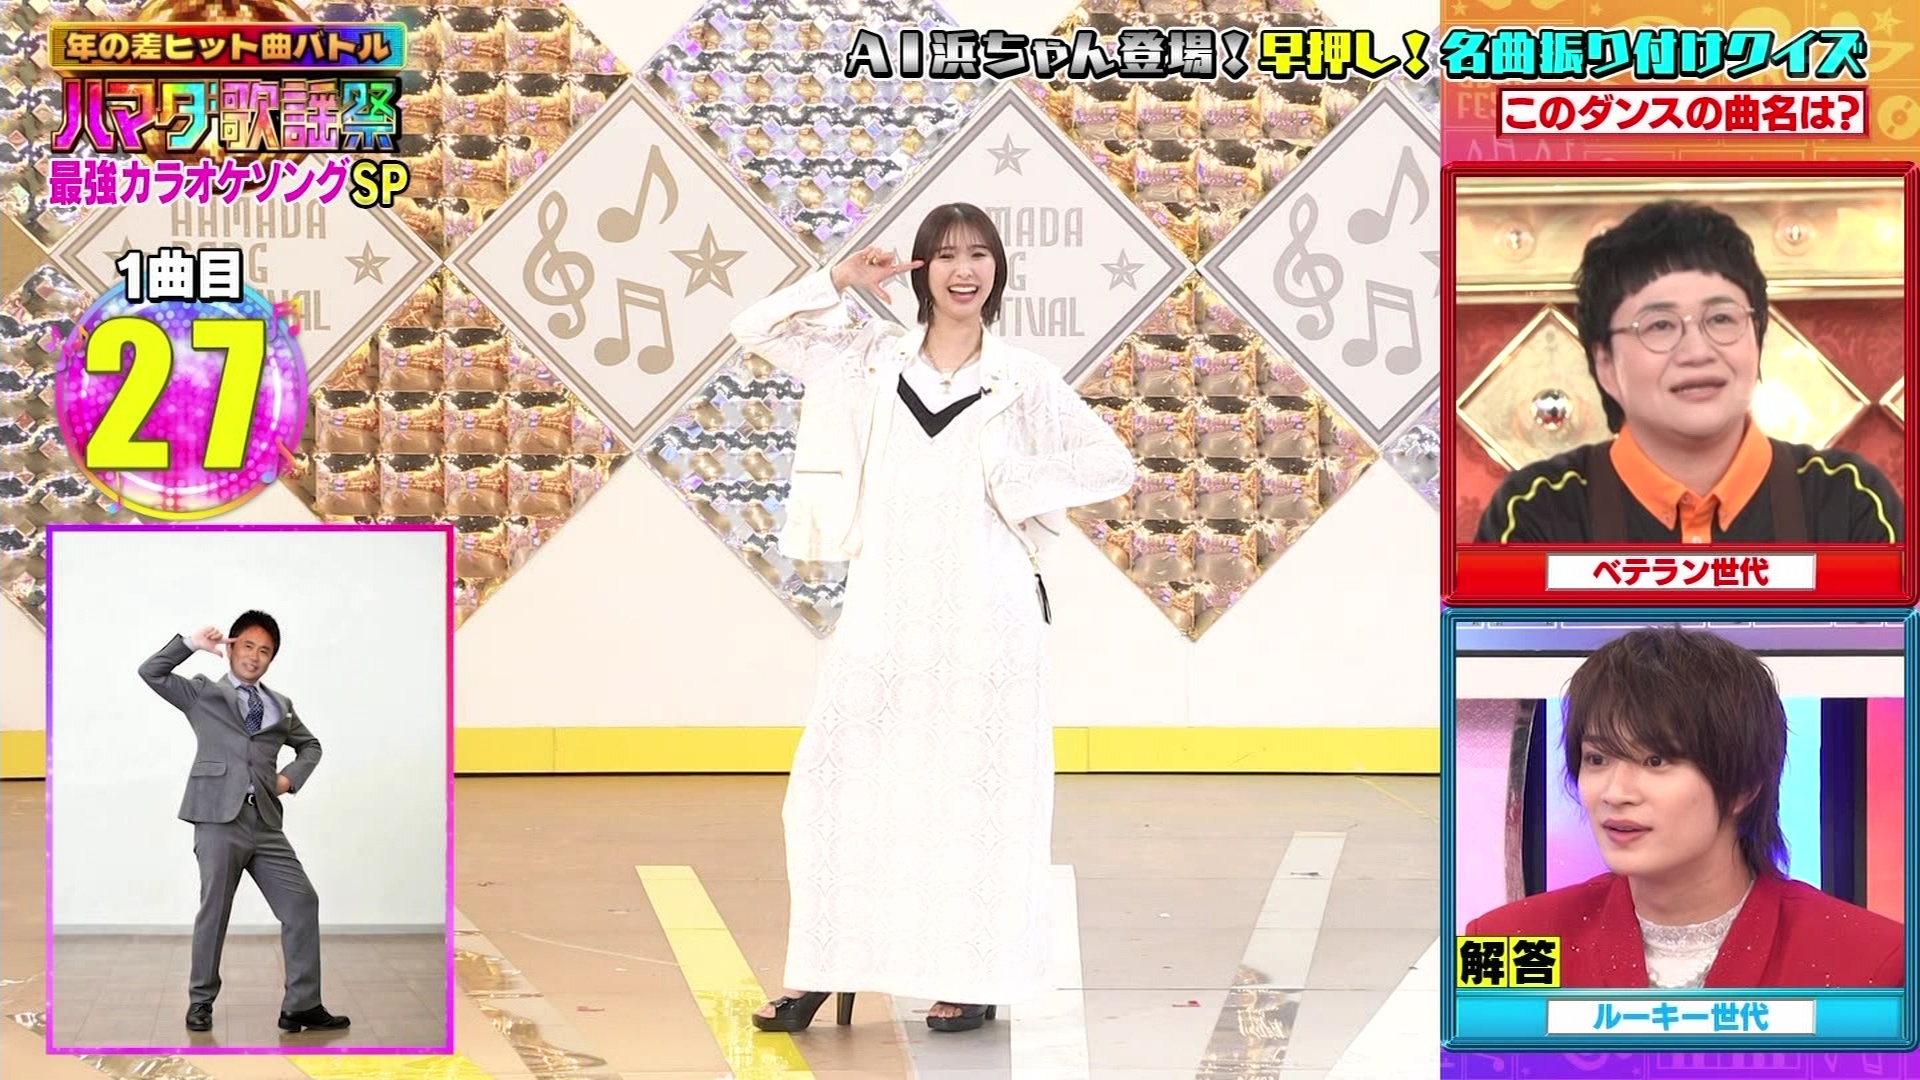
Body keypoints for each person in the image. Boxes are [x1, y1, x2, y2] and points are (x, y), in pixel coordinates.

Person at [727, 203, 1136, 1034]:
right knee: (838, 789)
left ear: (998, 270)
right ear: (920, 269)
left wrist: (1014, 486)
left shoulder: (1022, 377)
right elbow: (755, 330)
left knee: (978, 798)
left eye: (979, 254)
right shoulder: (869, 357)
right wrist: (839, 280)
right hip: (886, 608)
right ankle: (825, 966)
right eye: (945, 255)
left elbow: (1111, 463)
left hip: (990, 617)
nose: (964, 270)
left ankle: (972, 974)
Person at [1464, 626, 1904, 987]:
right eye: (1597, 759)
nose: (1615, 792)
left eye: (1656, 761)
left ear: (1744, 785)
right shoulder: (1507, 942)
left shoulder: (1873, 962)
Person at [1474, 200, 1902, 544]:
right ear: (1604, 364)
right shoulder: (1535, 512)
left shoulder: (1849, 500)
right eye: (1659, 325)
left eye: (1721, 319)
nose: (1697, 352)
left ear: (1757, 338)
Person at [137, 611, 352, 1034]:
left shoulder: (280, 706)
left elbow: (310, 745)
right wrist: (191, 643)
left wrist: (288, 779)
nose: (254, 656)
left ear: (272, 659)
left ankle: (302, 1005)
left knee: (302, 902)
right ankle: (200, 1001)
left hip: (265, 822)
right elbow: (151, 672)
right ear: (232, 647)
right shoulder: (203, 693)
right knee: (215, 910)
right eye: (248, 646)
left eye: (265, 651)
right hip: (218, 818)